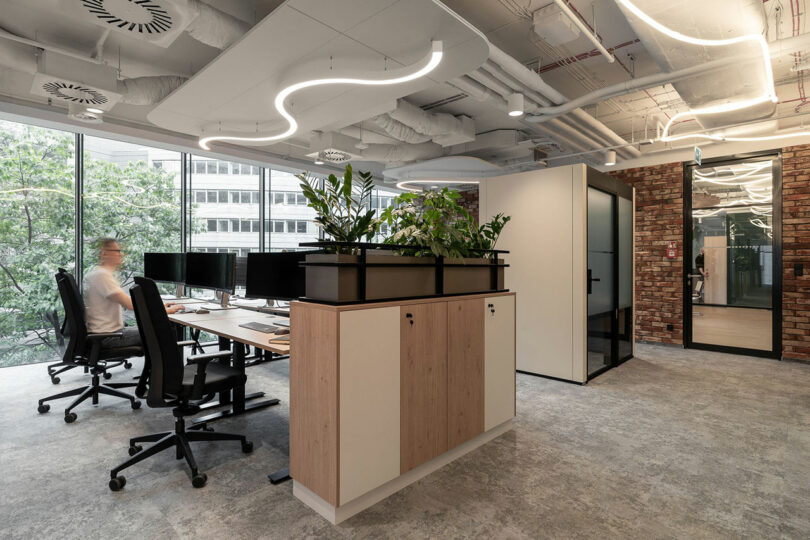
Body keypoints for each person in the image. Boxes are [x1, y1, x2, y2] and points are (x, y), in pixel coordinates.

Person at [84, 237, 182, 348]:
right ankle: (160, 366)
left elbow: (129, 302)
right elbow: (132, 305)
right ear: (104, 253)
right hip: (108, 337)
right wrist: (165, 310)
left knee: (154, 329)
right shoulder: (102, 275)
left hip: (105, 334)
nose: (120, 254)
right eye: (116, 251)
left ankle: (157, 365)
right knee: (165, 331)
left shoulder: (98, 273)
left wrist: (161, 307)